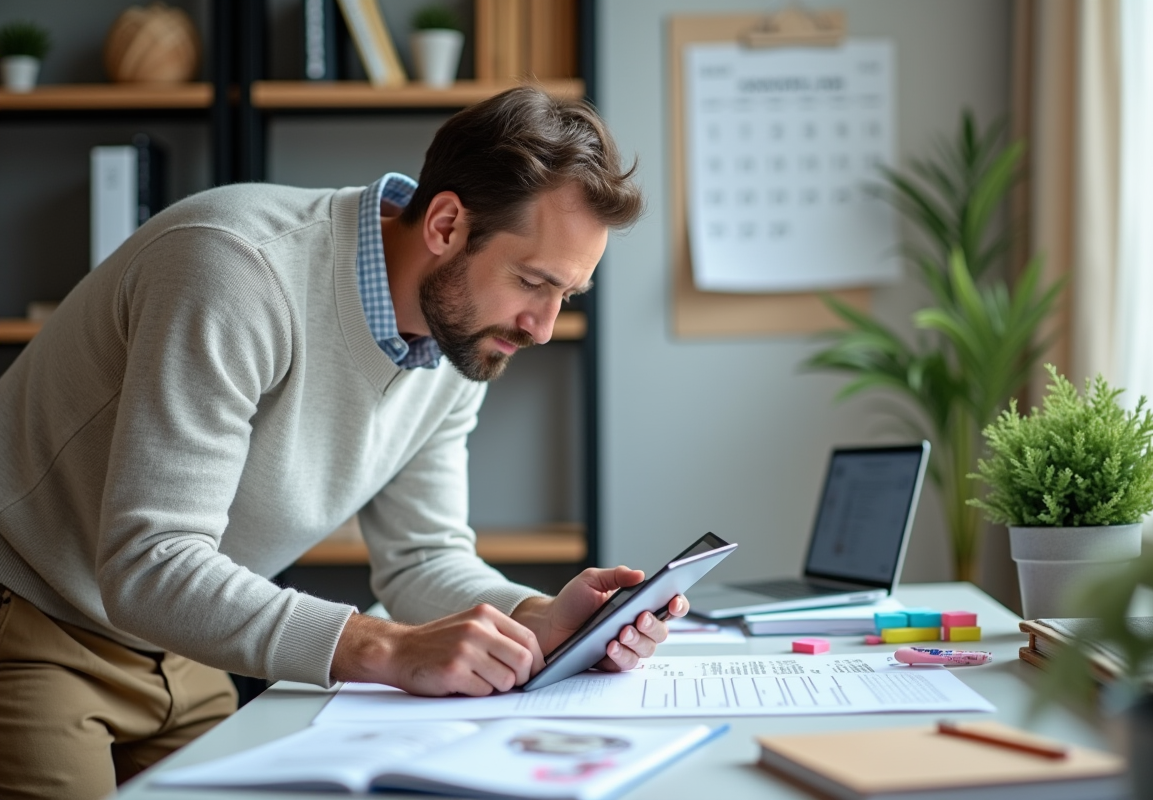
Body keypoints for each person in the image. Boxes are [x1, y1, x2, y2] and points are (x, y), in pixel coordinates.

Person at [0, 86, 688, 799]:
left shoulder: (457, 342)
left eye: (566, 297)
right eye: (533, 283)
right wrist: (383, 647)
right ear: (448, 225)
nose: (542, 327)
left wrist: (543, 622)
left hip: (179, 646)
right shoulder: (238, 270)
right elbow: (149, 561)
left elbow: (423, 558)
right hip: (30, 622)